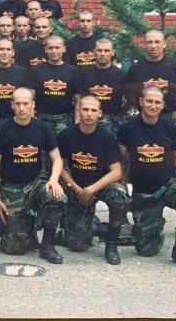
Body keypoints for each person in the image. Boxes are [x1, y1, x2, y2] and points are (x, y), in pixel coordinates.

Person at [117, 87, 176, 269]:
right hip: (144, 194)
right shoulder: (127, 128)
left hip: (168, 186)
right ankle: (154, 227)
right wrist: (123, 189)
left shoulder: (170, 128)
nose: (153, 105)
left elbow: (175, 157)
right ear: (141, 101)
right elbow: (120, 162)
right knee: (147, 250)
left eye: (157, 102)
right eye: (149, 101)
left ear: (163, 105)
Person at [0, 87, 67, 262]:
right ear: (12, 105)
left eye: (26, 103)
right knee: (14, 249)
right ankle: (20, 225)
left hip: (35, 183)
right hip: (11, 187)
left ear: (33, 105)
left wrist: (54, 180)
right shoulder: (2, 130)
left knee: (56, 197)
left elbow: (57, 159)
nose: (22, 108)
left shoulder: (43, 128)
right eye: (18, 104)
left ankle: (47, 245)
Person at [57, 96, 128, 264]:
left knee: (119, 196)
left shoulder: (107, 137)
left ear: (100, 114)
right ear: (78, 111)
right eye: (86, 109)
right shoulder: (66, 135)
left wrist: (91, 189)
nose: (89, 114)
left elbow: (117, 172)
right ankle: (96, 227)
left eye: (93, 110)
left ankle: (111, 245)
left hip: (100, 185)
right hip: (77, 187)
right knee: (77, 244)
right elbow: (58, 166)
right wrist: (76, 188)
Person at [125, 30, 176, 130]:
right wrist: (142, 109)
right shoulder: (135, 69)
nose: (153, 46)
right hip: (144, 119)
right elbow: (130, 94)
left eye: (157, 42)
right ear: (144, 45)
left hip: (171, 118)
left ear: (164, 44)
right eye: (149, 42)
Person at [27, 34, 82, 135]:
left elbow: (78, 99)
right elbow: (30, 98)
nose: (54, 51)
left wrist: (77, 123)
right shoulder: (36, 70)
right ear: (45, 50)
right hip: (42, 120)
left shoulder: (73, 71)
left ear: (64, 49)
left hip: (65, 120)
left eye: (57, 47)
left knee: (64, 150)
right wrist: (31, 122)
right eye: (50, 48)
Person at [81, 38, 127, 135]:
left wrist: (121, 115)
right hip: (89, 120)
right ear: (94, 52)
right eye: (99, 50)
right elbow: (78, 98)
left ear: (112, 52)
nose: (102, 54)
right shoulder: (84, 74)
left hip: (113, 122)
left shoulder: (121, 75)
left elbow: (129, 99)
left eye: (106, 50)